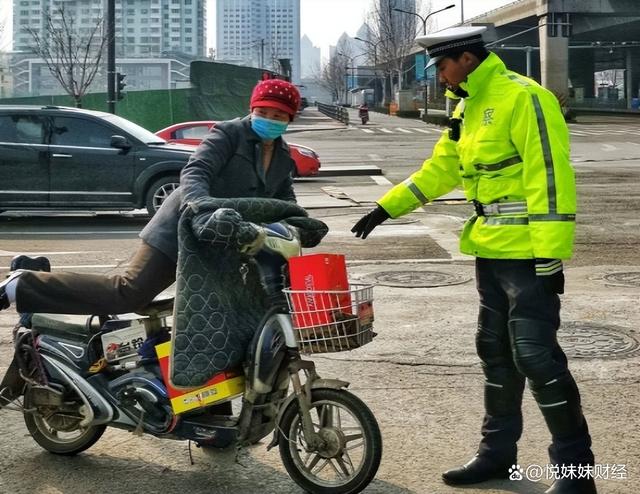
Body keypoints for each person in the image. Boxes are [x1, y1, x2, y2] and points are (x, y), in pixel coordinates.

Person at [351, 26, 596, 494]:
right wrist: (388, 206)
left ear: (466, 58)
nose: (439, 78)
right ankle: (497, 455)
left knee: (536, 358)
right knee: (496, 356)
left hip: (529, 256)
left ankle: (577, 473)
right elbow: (442, 169)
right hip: (489, 250)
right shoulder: (465, 107)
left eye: (441, 66)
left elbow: (550, 175)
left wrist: (550, 255)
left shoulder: (525, 97)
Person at [0, 78, 301, 318]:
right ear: (252, 109)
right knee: (130, 293)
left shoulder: (283, 156)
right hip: (181, 227)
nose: (268, 120)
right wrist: (200, 206)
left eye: (277, 116)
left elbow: (284, 200)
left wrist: (298, 225)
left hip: (224, 241)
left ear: (289, 119)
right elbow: (196, 172)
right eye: (262, 112)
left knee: (228, 309)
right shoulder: (228, 134)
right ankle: (23, 283)